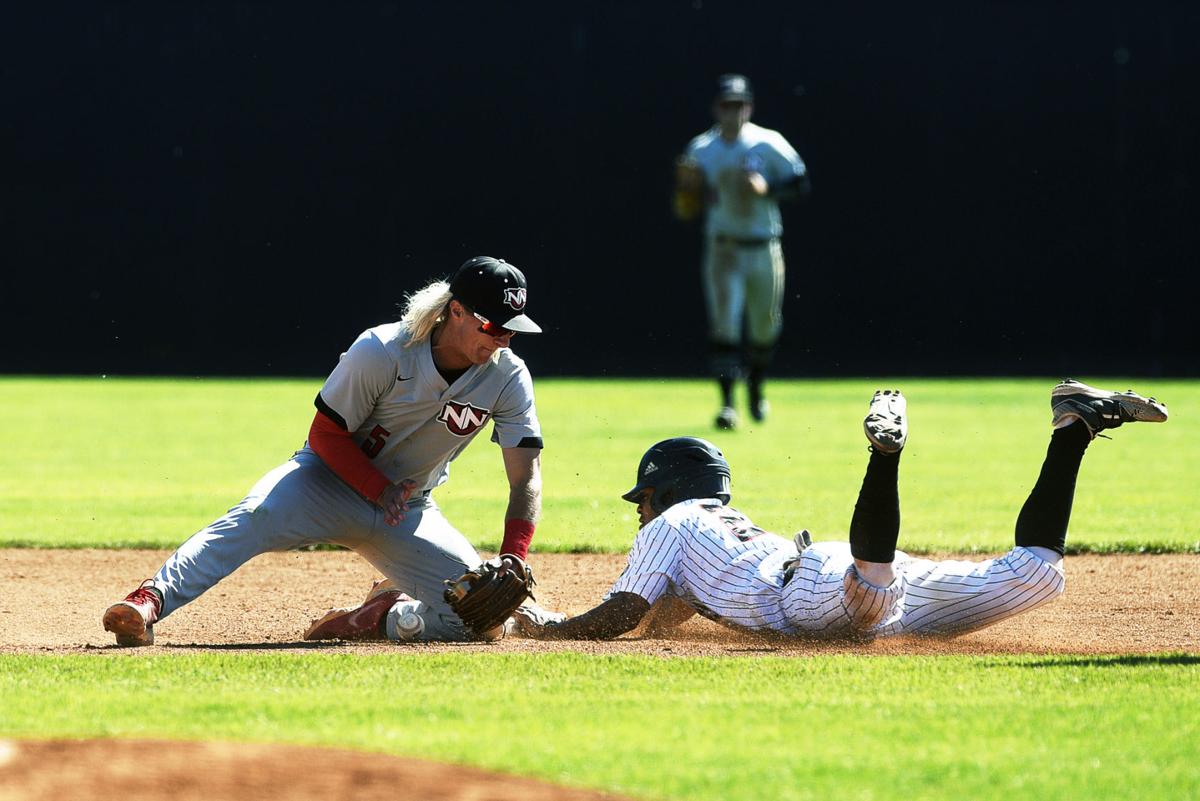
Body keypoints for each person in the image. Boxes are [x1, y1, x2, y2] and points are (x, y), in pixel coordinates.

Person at [103, 256, 546, 645]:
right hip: (323, 484)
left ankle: (381, 616)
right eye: (494, 326)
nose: (504, 339)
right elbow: (325, 434)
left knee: (482, 619)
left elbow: (525, 477)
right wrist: (378, 489)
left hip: (407, 510)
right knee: (254, 516)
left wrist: (514, 554)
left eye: (513, 329)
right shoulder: (384, 350)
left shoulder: (507, 376)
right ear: (456, 311)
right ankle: (148, 602)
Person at [514, 380, 1168, 641]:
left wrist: (547, 629)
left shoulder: (672, 524)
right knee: (1036, 575)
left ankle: (884, 455)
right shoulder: (710, 534)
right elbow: (660, 619)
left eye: (644, 498)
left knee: (872, 588)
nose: (639, 513)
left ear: (666, 493)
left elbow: (623, 614)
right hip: (842, 582)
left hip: (817, 588)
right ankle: (1073, 427)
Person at [674, 74, 811, 431]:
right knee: (725, 325)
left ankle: (756, 384)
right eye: (727, 105)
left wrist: (768, 188)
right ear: (716, 108)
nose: (732, 111)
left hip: (763, 245)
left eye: (739, 104)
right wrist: (689, 193)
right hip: (724, 247)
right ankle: (727, 404)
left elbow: (800, 182)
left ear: (749, 107)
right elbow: (687, 204)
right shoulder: (702, 148)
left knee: (765, 325)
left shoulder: (767, 142)